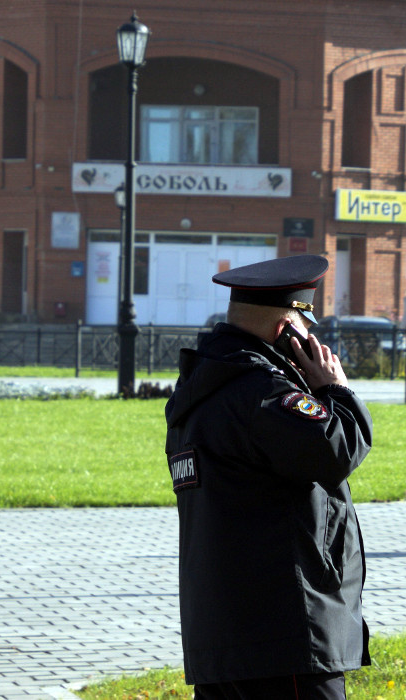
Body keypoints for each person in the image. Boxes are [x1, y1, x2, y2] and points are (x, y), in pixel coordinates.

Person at [164, 254, 373, 699]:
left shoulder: (203, 386)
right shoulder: (263, 391)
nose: (313, 339)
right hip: (284, 636)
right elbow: (336, 450)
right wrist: (336, 389)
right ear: (286, 330)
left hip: (224, 639)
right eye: (306, 326)